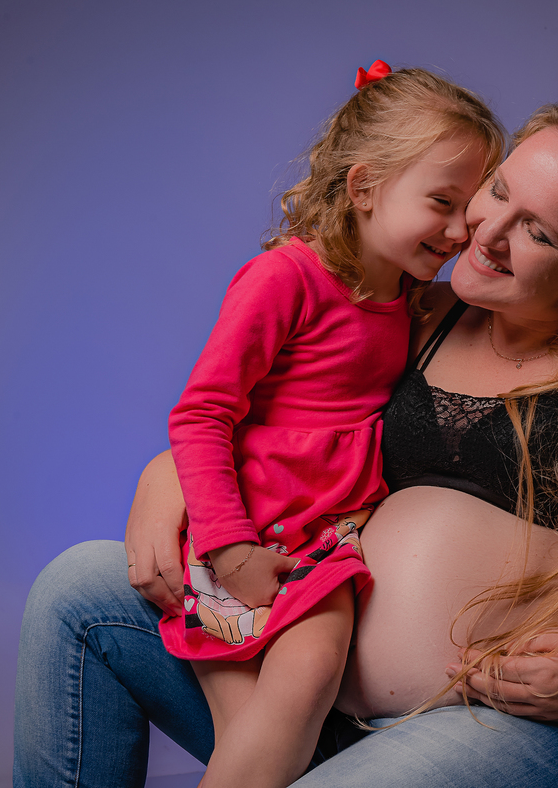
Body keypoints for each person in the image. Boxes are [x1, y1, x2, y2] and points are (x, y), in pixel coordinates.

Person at [13, 103, 558, 788]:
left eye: (536, 230)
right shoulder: (412, 314)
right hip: (313, 698)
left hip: (525, 726)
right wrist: (167, 473)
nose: (488, 233)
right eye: (499, 191)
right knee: (76, 593)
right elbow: (280, 430)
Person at [153, 62, 504, 788]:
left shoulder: (410, 299)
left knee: (300, 690)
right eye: (441, 203)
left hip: (329, 537)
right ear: (364, 186)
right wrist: (230, 549)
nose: (456, 232)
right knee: (253, 734)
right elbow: (202, 412)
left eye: (467, 213)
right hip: (248, 529)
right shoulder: (284, 278)